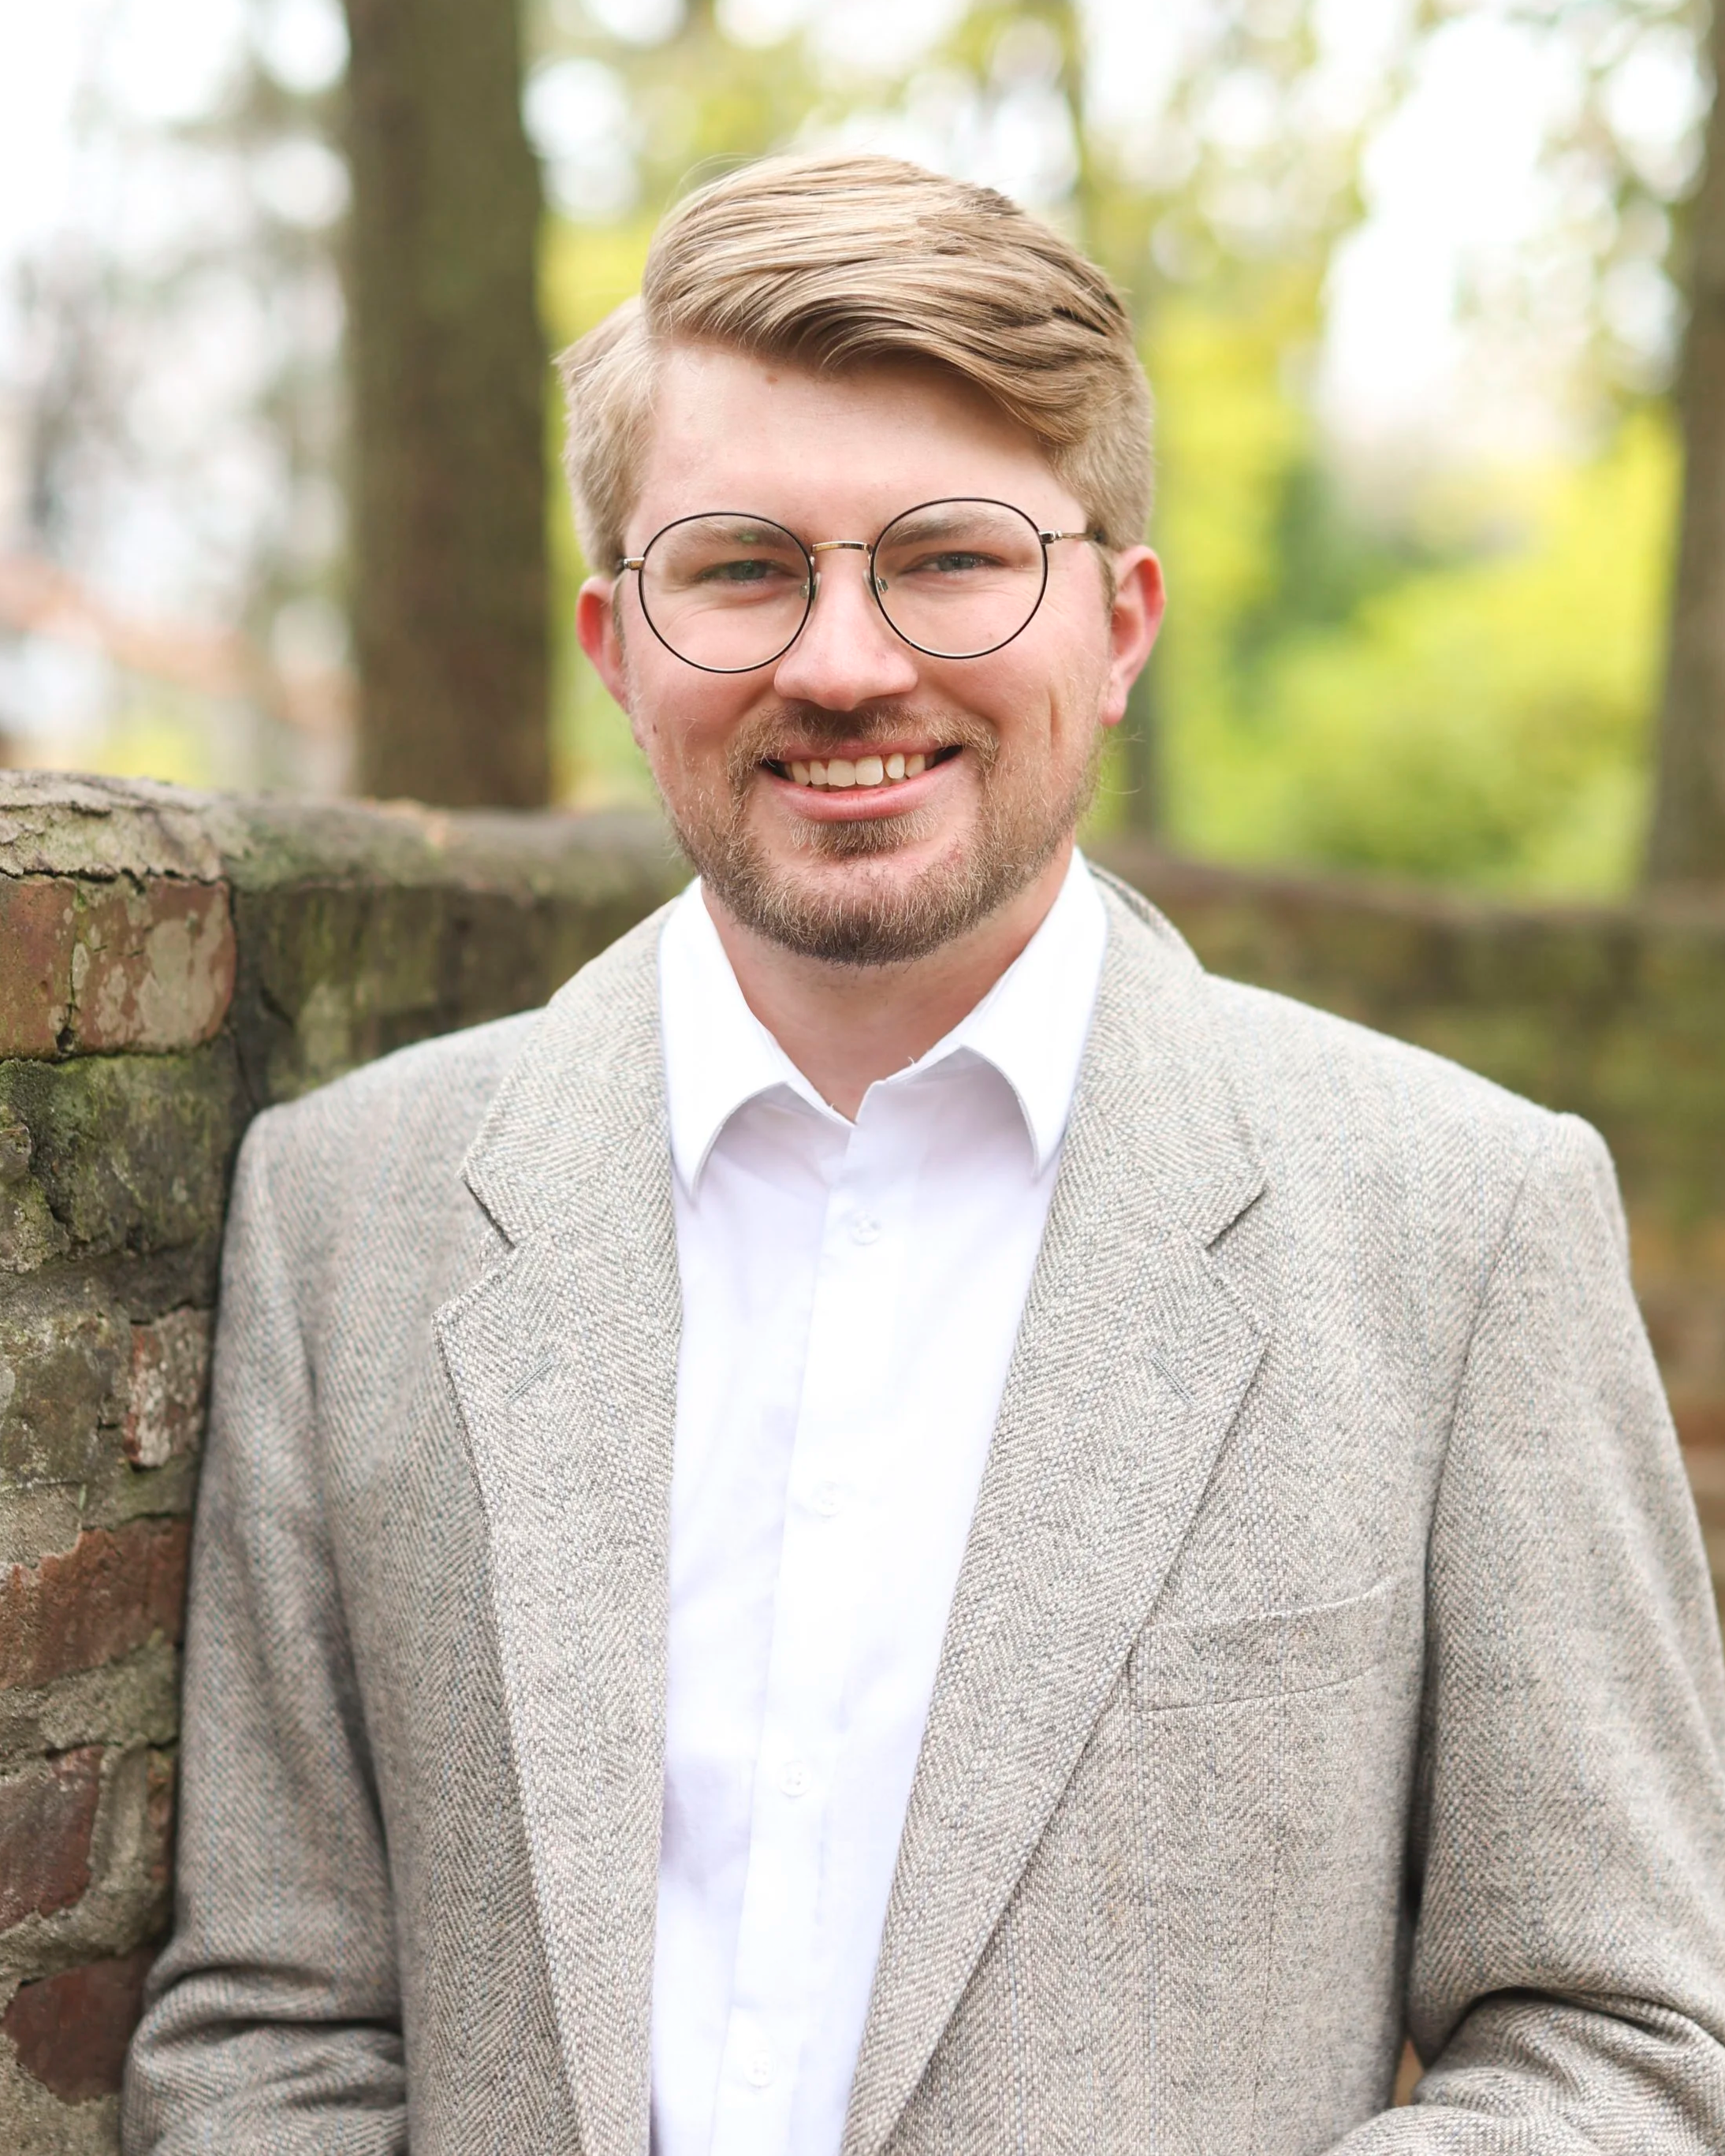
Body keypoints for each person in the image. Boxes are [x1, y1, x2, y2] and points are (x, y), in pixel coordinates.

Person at [124, 154, 1725, 2156]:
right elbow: (274, 2021)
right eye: (740, 565)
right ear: (616, 643)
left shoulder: (1459, 1221)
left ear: (1119, 620)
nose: (846, 662)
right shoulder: (346, 1212)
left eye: (952, 557)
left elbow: (1618, 2036)